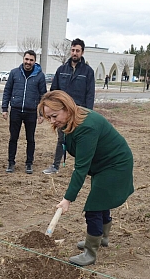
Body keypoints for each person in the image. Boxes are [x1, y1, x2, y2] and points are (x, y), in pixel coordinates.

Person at [38, 91, 134, 266]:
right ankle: (102, 238)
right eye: (48, 118)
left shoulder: (86, 127)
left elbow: (81, 169)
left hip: (115, 165)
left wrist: (67, 199)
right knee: (101, 200)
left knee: (94, 206)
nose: (52, 121)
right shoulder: (71, 119)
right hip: (102, 165)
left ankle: (90, 252)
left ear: (66, 108)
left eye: (54, 116)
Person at [44, 38, 95, 175]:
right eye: (73, 50)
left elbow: (90, 94)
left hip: (79, 112)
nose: (75, 53)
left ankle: (82, 167)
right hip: (62, 113)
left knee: (80, 140)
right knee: (62, 139)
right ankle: (55, 166)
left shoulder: (88, 72)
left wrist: (88, 113)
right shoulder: (61, 70)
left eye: (77, 51)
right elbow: (54, 91)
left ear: (82, 52)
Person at [2, 50, 47, 174]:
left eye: (31, 60)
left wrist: (42, 114)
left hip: (31, 112)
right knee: (13, 138)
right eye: (26, 59)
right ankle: (11, 162)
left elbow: (43, 96)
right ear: (23, 59)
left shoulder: (40, 76)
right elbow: (7, 91)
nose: (28, 62)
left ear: (34, 61)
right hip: (16, 110)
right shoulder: (14, 73)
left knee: (30, 139)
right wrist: (4, 108)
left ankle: (29, 163)